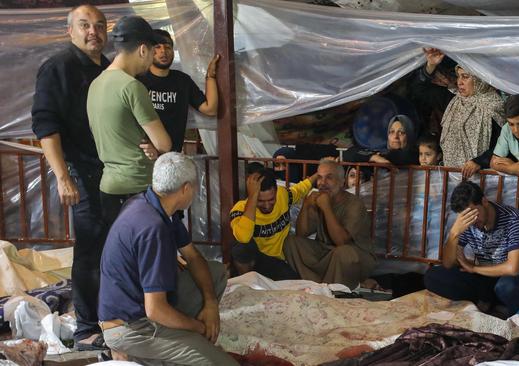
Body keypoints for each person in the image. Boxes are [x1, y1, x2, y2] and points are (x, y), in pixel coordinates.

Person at [98, 152, 237, 365]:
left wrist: (210, 305)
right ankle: (136, 352)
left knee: (215, 272)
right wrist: (199, 327)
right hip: (131, 327)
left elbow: (193, 257)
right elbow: (155, 310)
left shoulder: (151, 205)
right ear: (186, 189)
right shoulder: (153, 228)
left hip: (139, 310)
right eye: (195, 187)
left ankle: (162, 349)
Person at [31, 5, 109, 351]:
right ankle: (87, 329)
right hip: (81, 169)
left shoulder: (109, 69)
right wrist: (63, 176)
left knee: (113, 246)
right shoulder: (58, 68)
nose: (93, 31)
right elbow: (45, 125)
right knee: (90, 249)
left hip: (114, 171)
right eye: (85, 25)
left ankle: (112, 316)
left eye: (99, 25)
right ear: (70, 31)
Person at [88, 16, 172, 228]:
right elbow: (164, 144)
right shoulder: (132, 87)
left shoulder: (96, 84)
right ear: (143, 50)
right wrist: (156, 147)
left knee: (122, 255)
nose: (153, 57)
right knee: (144, 257)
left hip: (108, 187)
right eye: (153, 51)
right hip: (137, 187)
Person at [424, 181, 519, 317]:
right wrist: (454, 234)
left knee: (507, 287)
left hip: (514, 279)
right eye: (467, 217)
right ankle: (484, 303)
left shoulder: (513, 219)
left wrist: (473, 268)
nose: (473, 221)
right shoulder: (468, 221)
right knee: (433, 276)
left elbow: (513, 269)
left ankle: (497, 307)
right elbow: (447, 263)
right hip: (485, 278)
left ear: (484, 201)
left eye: (474, 214)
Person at [283, 160, 377, 290]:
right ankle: (319, 286)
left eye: (329, 178)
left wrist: (327, 208)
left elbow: (341, 241)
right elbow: (301, 234)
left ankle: (333, 289)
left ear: (341, 181)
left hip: (356, 257)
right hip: (327, 252)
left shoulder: (355, 204)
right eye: (320, 178)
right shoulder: (321, 199)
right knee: (291, 242)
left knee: (343, 253)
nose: (322, 183)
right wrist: (306, 205)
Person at [137, 29, 220, 153]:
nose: (163, 51)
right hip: (143, 156)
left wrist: (210, 76)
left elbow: (210, 109)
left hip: (172, 158)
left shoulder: (182, 81)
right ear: (148, 50)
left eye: (167, 47)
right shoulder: (138, 81)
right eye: (157, 47)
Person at [229, 166, 316, 280]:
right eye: (260, 201)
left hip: (276, 261)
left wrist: (317, 174)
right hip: (254, 261)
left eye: (271, 200)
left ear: (276, 191)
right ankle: (246, 283)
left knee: (293, 283)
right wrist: (253, 199)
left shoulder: (282, 194)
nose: (266, 206)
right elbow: (243, 238)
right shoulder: (240, 209)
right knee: (240, 245)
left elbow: (300, 189)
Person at [439, 63, 506, 179]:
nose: (459, 82)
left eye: (465, 77)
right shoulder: (455, 101)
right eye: (458, 76)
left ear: (480, 79)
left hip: (483, 177)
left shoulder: (493, 105)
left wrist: (480, 161)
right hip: (450, 175)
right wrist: (431, 65)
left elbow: (504, 143)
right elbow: (420, 90)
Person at [344, 114, 419, 166]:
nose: (395, 136)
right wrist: (373, 157)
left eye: (401, 132)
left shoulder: (417, 155)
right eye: (391, 132)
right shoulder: (382, 153)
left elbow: (398, 156)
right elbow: (348, 153)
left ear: (409, 135)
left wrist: (377, 157)